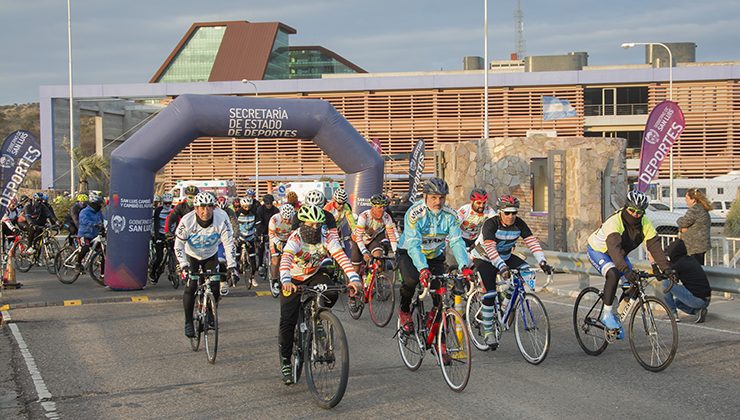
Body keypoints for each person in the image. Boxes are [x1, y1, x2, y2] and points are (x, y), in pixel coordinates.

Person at [277, 205, 362, 385]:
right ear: (302, 224)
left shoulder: (327, 236)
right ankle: (285, 360)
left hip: (314, 274)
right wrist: (285, 281)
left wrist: (354, 278)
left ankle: (317, 314)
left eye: (318, 225)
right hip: (292, 278)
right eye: (311, 224)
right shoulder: (296, 237)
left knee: (331, 291)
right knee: (287, 320)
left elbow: (341, 256)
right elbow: (285, 260)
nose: (315, 228)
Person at [587, 191, 677, 338]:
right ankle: (607, 314)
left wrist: (666, 268)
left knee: (634, 284)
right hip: (599, 251)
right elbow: (614, 250)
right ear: (626, 207)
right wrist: (625, 270)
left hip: (619, 253)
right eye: (632, 210)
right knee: (613, 274)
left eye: (639, 212)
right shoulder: (615, 222)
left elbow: (654, 247)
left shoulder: (644, 223)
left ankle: (616, 318)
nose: (635, 215)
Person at [470, 194, 553, 348]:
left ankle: (505, 303)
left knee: (526, 270)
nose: (511, 216)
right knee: (490, 292)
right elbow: (490, 248)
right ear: (500, 212)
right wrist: (501, 266)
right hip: (485, 257)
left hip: (505, 255)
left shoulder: (519, 224)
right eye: (507, 213)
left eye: (514, 213)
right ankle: (488, 332)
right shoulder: (491, 224)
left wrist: (542, 261)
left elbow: (532, 243)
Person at [396, 177, 474, 333]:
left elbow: (456, 242)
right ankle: (404, 311)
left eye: (441, 198)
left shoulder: (450, 216)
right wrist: (423, 269)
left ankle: (437, 334)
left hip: (434, 255)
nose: (438, 201)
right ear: (425, 197)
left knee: (440, 295)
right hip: (410, 253)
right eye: (433, 197)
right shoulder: (415, 214)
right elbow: (413, 245)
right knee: (411, 281)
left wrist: (464, 265)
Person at [175, 192, 239, 338]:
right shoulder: (187, 220)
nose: (206, 211)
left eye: (209, 207)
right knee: (191, 286)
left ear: (214, 208)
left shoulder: (221, 218)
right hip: (192, 255)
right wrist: (183, 265)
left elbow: (228, 244)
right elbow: (178, 245)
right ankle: (188, 322)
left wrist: (231, 266)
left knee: (215, 285)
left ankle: (210, 312)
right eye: (202, 208)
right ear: (196, 209)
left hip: (211, 255)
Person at [658, 239, 711, 323]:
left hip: (697, 299)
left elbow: (663, 277)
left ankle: (672, 315)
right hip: (705, 298)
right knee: (677, 303)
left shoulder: (678, 264)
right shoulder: (689, 260)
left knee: (666, 284)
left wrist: (657, 264)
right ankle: (698, 312)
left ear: (674, 253)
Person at [350, 193, 398, 276]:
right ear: (373, 207)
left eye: (384, 207)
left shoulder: (386, 217)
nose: (382, 210)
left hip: (371, 240)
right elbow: (359, 237)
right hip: (358, 241)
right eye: (380, 207)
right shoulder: (364, 216)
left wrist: (396, 252)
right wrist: (364, 252)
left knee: (379, 259)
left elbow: (392, 236)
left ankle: (373, 280)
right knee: (356, 269)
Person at [677, 188, 712, 265]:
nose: (685, 200)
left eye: (686, 198)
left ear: (693, 200)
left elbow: (683, 222)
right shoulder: (702, 208)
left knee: (694, 267)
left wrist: (679, 220)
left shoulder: (695, 209)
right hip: (700, 244)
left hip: (694, 245)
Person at [267, 204, 296, 294]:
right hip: (276, 238)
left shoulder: (295, 218)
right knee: (276, 259)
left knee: (292, 258)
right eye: (285, 219)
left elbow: (296, 233)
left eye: (289, 219)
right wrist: (278, 243)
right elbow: (271, 234)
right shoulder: (275, 219)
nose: (287, 221)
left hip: (288, 239)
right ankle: (275, 280)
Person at [149, 193, 175, 282]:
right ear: (162, 202)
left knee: (175, 253)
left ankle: (173, 271)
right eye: (165, 203)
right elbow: (156, 224)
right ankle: (152, 272)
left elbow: (177, 222)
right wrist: (157, 237)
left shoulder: (174, 209)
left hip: (171, 234)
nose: (168, 205)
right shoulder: (158, 210)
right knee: (159, 257)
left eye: (169, 203)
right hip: (160, 234)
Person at [235, 196, 259, 288]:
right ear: (241, 206)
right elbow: (233, 225)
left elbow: (258, 225)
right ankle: (235, 274)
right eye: (245, 207)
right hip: (240, 238)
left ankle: (252, 277)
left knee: (253, 261)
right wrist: (234, 236)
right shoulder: (237, 214)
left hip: (250, 238)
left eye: (249, 206)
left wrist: (258, 234)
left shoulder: (254, 214)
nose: (247, 208)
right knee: (236, 258)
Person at [76, 195, 105, 272]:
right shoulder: (84, 211)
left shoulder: (99, 212)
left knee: (104, 252)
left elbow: (103, 220)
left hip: (94, 235)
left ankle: (103, 273)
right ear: (93, 203)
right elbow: (83, 221)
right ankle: (78, 263)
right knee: (85, 248)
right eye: (98, 204)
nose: (100, 206)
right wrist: (94, 224)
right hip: (84, 234)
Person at [255, 194, 279, 276]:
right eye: (267, 203)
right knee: (261, 248)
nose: (269, 205)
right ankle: (261, 265)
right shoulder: (260, 210)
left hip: (273, 231)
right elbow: (258, 222)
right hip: (263, 230)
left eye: (270, 203)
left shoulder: (276, 210)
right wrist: (259, 233)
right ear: (264, 203)